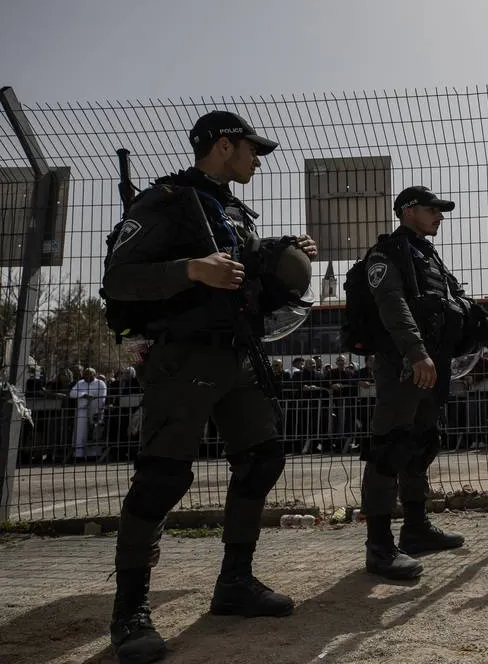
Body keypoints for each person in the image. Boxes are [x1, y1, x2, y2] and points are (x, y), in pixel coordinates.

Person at [101, 110, 318, 664]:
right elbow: (118, 279)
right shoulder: (167, 201)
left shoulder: (231, 210)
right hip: (184, 357)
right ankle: (129, 613)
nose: (257, 160)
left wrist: (284, 255)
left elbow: (245, 278)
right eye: (252, 149)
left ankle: (234, 583)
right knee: (162, 478)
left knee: (263, 458)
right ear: (223, 145)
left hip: (238, 353)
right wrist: (192, 270)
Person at [357, 186, 488, 580]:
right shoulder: (387, 254)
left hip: (432, 365)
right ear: (408, 211)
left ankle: (416, 528)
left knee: (421, 444)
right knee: (388, 448)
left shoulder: (427, 256)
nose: (439, 216)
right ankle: (379, 547)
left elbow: (461, 301)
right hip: (404, 365)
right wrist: (415, 352)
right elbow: (392, 304)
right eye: (432, 209)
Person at [70, 367, 108, 460]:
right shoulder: (80, 383)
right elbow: (72, 393)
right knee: (81, 434)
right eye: (86, 373)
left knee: (95, 433)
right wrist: (83, 395)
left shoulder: (100, 383)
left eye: (90, 373)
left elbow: (102, 397)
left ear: (94, 375)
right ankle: (79, 455)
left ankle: (94, 455)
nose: (87, 375)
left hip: (95, 410)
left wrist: (96, 409)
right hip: (82, 412)